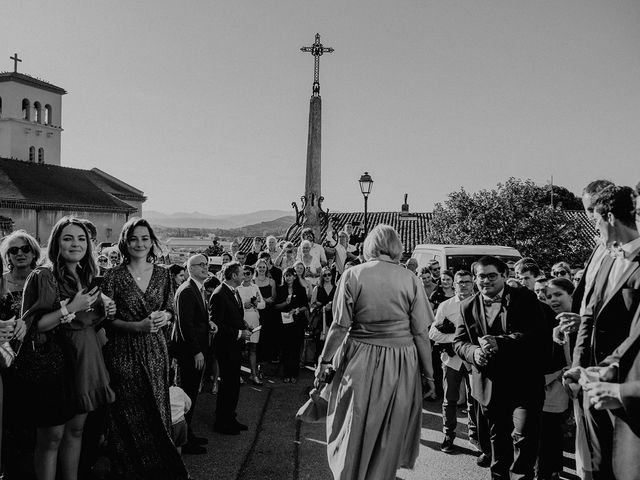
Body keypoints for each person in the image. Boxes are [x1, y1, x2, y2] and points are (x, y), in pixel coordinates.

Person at [314, 224, 435, 480]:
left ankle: (348, 473)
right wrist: (430, 375)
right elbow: (422, 334)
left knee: (353, 422)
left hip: (359, 356)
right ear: (396, 246)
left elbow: (339, 325)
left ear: (370, 245)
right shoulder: (411, 279)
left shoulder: (353, 274)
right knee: (389, 427)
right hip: (402, 361)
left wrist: (324, 361)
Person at [19, 217, 116, 480]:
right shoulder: (44, 275)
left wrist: (106, 309)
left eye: (81, 238)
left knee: (76, 432)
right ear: (56, 244)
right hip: (56, 366)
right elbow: (34, 326)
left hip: (86, 361)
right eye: (68, 238)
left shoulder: (86, 276)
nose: (76, 244)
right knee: (52, 437)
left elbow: (90, 322)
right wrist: (70, 307)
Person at [101, 217, 188, 479]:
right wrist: (136, 326)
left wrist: (166, 317)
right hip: (122, 352)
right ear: (125, 242)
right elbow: (106, 320)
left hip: (155, 351)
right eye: (133, 238)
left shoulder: (163, 274)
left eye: (145, 238)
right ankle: (127, 470)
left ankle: (159, 469)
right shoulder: (113, 276)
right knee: (125, 413)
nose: (139, 243)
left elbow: (171, 309)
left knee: (156, 410)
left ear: (152, 242)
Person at [564, 185, 640, 480]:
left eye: (595, 221)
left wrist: (615, 376)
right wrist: (580, 366)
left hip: (627, 385)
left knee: (626, 466)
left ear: (608, 217)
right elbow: (589, 315)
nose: (595, 229)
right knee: (597, 465)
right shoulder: (606, 257)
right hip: (594, 378)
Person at [454, 256, 545, 480]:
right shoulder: (467, 306)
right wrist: (473, 353)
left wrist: (502, 342)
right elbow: (459, 342)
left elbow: (537, 335)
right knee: (497, 439)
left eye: (492, 275)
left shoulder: (525, 297)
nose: (486, 281)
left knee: (525, 435)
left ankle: (521, 475)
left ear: (505, 275)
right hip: (489, 384)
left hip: (525, 380)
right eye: (481, 276)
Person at [429, 270, 482, 455]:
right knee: (449, 400)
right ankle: (449, 435)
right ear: (454, 284)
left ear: (473, 282)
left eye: (467, 282)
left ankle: (474, 435)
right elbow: (433, 333)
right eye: (460, 282)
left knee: (474, 399)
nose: (464, 285)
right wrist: (456, 339)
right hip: (452, 360)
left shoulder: (480, 303)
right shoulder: (445, 306)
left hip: (473, 359)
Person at [174, 254, 215, 455]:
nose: (205, 268)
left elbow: (198, 319)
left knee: (192, 393)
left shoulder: (198, 289)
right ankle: (184, 440)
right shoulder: (187, 291)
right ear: (190, 268)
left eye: (207, 264)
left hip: (198, 349)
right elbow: (185, 325)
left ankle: (189, 434)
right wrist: (197, 351)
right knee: (187, 394)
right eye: (201, 265)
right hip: (190, 352)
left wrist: (210, 324)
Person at [0, 231, 34, 477]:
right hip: (7, 358)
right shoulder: (0, 282)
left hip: (39, 356)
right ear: (7, 255)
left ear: (34, 252)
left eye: (24, 248)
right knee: (10, 418)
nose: (20, 253)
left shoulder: (44, 279)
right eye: (13, 250)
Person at [537, 277, 574, 480]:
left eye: (558, 294)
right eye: (549, 296)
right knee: (547, 435)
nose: (552, 299)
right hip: (550, 389)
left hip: (580, 393)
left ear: (572, 294)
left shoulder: (583, 320)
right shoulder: (549, 320)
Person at [209, 261, 252, 435]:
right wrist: (239, 334)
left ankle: (231, 418)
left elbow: (233, 316)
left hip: (235, 346)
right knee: (227, 384)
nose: (244, 275)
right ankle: (221, 422)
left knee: (233, 384)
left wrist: (244, 323)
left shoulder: (234, 292)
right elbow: (216, 325)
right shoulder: (219, 294)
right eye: (242, 273)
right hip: (226, 347)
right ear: (233, 275)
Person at [275, 267, 309, 383]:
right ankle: (286, 374)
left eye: (290, 275)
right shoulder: (280, 289)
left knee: (295, 349)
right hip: (284, 323)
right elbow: (276, 307)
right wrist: (285, 303)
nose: (288, 278)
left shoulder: (301, 289)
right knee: (285, 349)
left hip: (297, 323)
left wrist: (296, 310)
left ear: (294, 276)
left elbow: (306, 306)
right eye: (286, 275)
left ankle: (294, 374)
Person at [237, 265, 265, 385]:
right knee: (239, 349)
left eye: (248, 273)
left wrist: (254, 304)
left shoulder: (255, 287)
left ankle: (253, 374)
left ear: (252, 274)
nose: (246, 276)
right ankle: (237, 375)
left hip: (254, 318)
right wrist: (244, 305)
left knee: (253, 348)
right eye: (243, 273)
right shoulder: (237, 288)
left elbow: (263, 304)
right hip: (241, 320)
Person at [254, 258, 279, 370]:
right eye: (260, 267)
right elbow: (254, 297)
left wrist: (264, 300)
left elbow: (273, 298)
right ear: (256, 268)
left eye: (264, 267)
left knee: (267, 335)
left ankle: (266, 361)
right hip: (257, 312)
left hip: (269, 312)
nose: (262, 269)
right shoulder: (253, 281)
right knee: (258, 336)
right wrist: (264, 300)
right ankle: (258, 360)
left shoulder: (271, 281)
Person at [310, 267, 335, 364]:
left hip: (333, 319)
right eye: (325, 275)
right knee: (319, 345)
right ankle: (318, 367)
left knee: (332, 345)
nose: (327, 276)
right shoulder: (318, 288)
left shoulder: (337, 288)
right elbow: (312, 305)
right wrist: (320, 305)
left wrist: (332, 305)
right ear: (321, 276)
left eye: (329, 274)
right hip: (320, 320)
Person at [169, 382, 191, 456]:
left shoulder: (163, 394)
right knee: (178, 445)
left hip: (171, 424)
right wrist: (184, 411)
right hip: (181, 422)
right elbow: (188, 402)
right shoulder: (179, 390)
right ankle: (178, 461)